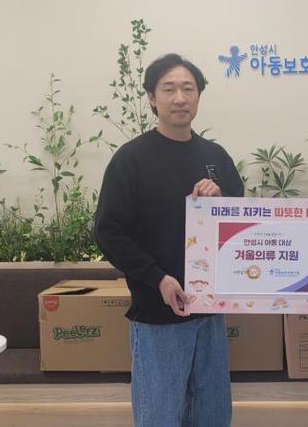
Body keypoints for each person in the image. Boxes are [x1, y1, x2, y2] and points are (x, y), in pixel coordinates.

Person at [95, 53, 243, 427]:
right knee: (159, 417)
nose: (180, 98)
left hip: (210, 313)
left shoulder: (216, 157)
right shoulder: (131, 159)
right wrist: (158, 278)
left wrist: (221, 201)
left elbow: (242, 223)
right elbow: (108, 231)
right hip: (158, 316)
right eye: (169, 89)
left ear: (198, 96)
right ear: (151, 97)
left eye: (188, 89)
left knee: (212, 416)